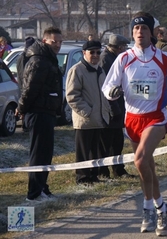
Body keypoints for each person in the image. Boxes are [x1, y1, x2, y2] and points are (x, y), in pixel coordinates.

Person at [102, 11, 167, 236]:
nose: (140, 32)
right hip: (131, 119)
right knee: (146, 167)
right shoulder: (124, 58)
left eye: (144, 29)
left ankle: (154, 208)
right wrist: (112, 92)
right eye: (136, 29)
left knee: (139, 160)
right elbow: (107, 85)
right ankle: (156, 208)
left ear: (152, 33)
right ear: (132, 33)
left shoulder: (163, 57)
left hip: (155, 117)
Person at [16, 27, 63, 202]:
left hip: (46, 111)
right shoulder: (39, 61)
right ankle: (34, 194)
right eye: (54, 42)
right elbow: (29, 89)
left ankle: (42, 188)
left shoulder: (48, 59)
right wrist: (21, 108)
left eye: (60, 42)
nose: (57, 45)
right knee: (38, 154)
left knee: (45, 153)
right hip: (38, 112)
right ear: (44, 41)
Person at [66, 40, 110, 185]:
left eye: (98, 52)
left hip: (98, 119)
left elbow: (103, 94)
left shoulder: (100, 70)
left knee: (95, 151)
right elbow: (72, 96)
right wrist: (88, 112)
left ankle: (93, 176)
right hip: (84, 121)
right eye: (92, 52)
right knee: (83, 152)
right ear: (84, 53)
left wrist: (105, 111)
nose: (96, 55)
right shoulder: (77, 70)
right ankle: (82, 177)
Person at [99, 34, 134, 178]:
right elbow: (107, 87)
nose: (125, 50)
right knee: (107, 142)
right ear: (119, 47)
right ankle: (104, 171)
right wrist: (114, 109)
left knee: (117, 141)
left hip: (118, 103)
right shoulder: (106, 60)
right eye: (124, 47)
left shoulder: (113, 58)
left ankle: (118, 169)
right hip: (110, 106)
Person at [15, 36, 36, 133]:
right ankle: (25, 126)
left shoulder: (26, 57)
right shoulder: (23, 58)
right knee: (25, 105)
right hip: (24, 86)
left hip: (25, 85)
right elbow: (23, 74)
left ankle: (26, 125)